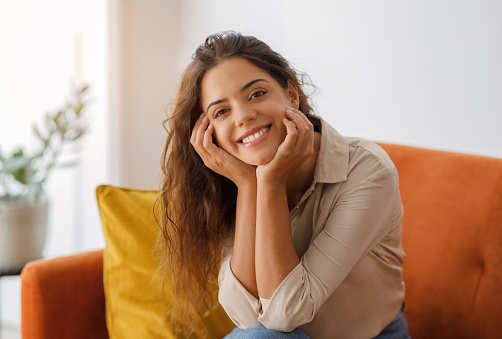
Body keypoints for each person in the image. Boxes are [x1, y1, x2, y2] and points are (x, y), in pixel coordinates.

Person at [158, 31, 410, 339]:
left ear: (291, 94)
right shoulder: (232, 179)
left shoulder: (367, 170)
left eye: (256, 94)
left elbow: (284, 313)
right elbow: (246, 314)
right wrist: (250, 187)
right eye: (222, 111)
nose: (244, 116)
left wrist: (271, 183)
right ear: (208, 132)